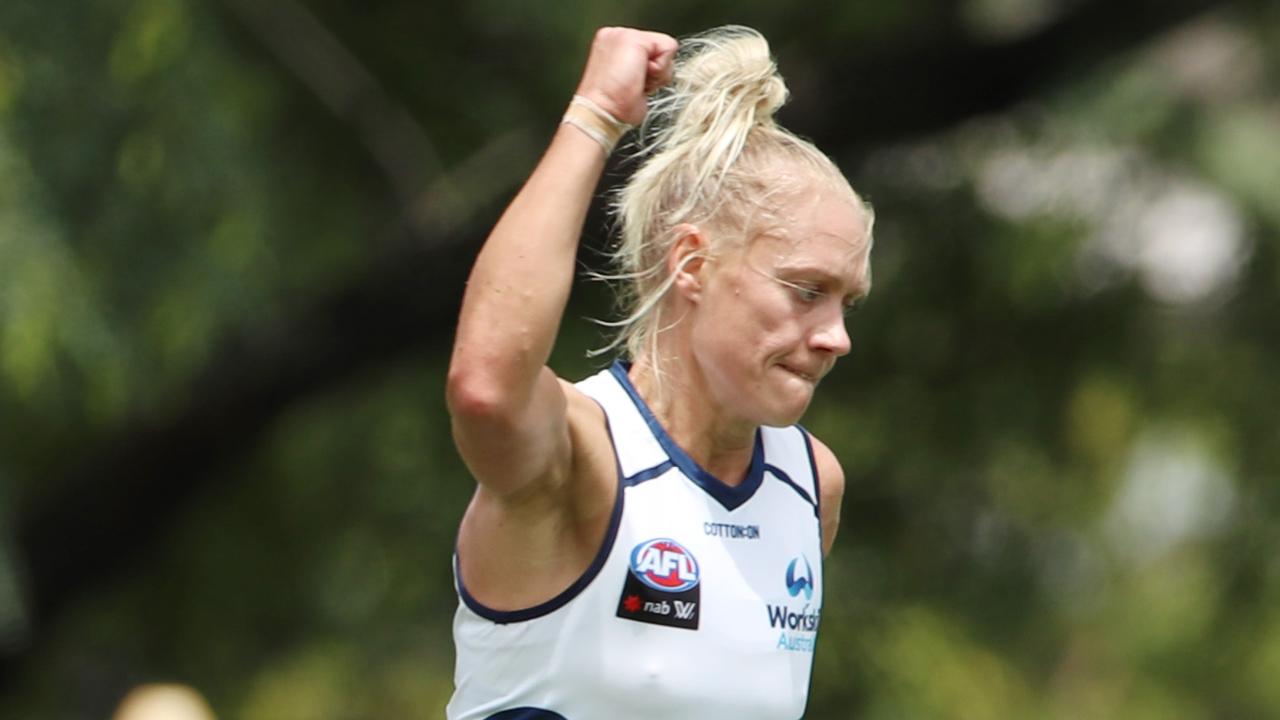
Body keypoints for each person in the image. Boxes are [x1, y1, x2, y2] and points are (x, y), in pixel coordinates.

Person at [445, 24, 874, 720]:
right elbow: (486, 389)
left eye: (847, 302)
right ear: (692, 266)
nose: (836, 337)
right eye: (805, 290)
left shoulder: (811, 484)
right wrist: (595, 116)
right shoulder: (584, 453)